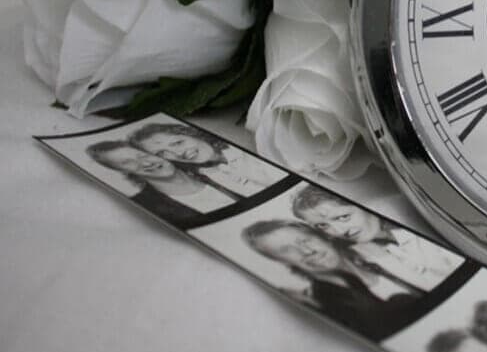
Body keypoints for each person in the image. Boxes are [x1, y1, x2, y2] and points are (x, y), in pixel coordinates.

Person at [242, 219, 421, 341]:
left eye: (305, 240)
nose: (307, 251)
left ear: (322, 236)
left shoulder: (377, 248)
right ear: (281, 261)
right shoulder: (329, 303)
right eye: (287, 250)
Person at [291, 185, 463, 292]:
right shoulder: (362, 256)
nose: (339, 231)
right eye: (322, 225)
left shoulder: (411, 217)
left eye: (343, 217)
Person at [86, 141, 238, 227]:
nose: (146, 163)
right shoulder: (147, 207)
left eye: (142, 155)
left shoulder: (215, 171)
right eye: (128, 163)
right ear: (121, 171)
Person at [129, 123, 286, 196]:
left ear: (190, 134)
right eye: (162, 153)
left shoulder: (246, 148)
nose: (179, 153)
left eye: (177, 142)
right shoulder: (208, 176)